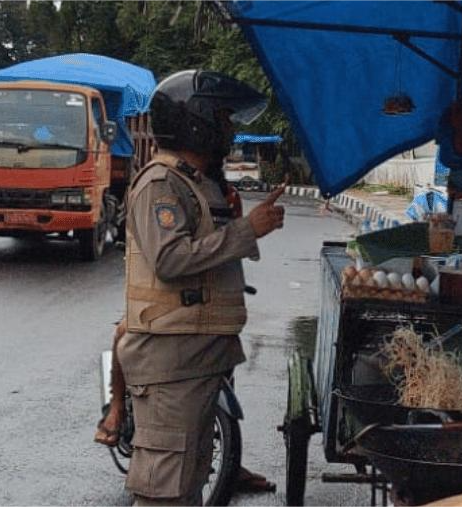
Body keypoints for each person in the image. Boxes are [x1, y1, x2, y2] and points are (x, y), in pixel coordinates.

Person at [117, 69, 284, 506]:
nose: (230, 128)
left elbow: (209, 249)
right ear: (198, 120)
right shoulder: (161, 184)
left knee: (188, 481)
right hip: (172, 361)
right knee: (165, 492)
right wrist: (247, 230)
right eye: (224, 118)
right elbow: (171, 259)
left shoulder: (196, 180)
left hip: (196, 358)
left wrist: (242, 223)